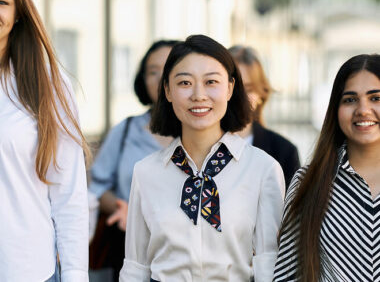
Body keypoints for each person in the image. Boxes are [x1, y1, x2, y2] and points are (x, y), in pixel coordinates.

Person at [119, 34, 285, 282]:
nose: (198, 95)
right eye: (185, 83)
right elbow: (135, 267)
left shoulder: (262, 169)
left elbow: (268, 264)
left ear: (229, 88)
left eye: (211, 82)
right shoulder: (146, 172)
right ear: (167, 90)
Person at [0, 0, 90, 281]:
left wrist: (76, 273)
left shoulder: (48, 83)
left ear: (19, 12)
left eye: (2, 2)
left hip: (25, 269)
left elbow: (68, 194)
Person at [273, 54, 380, 281]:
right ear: (335, 109)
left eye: (376, 98)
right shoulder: (309, 180)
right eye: (350, 100)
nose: (363, 109)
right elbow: (287, 275)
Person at [89, 40, 177, 279]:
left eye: (169, 69)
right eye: (152, 71)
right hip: (127, 251)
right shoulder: (126, 130)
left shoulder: (201, 134)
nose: (160, 78)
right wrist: (122, 208)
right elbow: (96, 186)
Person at [229, 45, 300, 188]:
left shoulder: (283, 151)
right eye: (234, 87)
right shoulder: (201, 146)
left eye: (248, 89)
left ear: (261, 94)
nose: (239, 96)